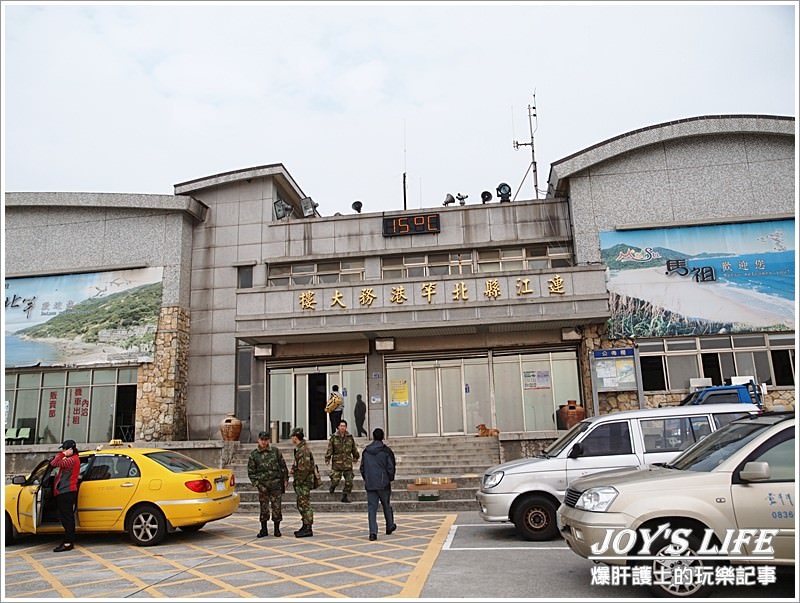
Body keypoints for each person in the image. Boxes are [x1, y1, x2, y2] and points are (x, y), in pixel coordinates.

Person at [247, 430, 289, 538]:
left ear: (269, 440)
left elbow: (283, 465)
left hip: (276, 484)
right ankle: (264, 529)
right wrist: (257, 484)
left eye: (266, 440)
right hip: (263, 485)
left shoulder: (275, 451)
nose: (264, 442)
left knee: (277, 507)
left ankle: (277, 529)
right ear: (258, 440)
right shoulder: (254, 455)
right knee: (264, 507)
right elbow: (251, 471)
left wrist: (285, 479)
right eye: (262, 440)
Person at [359, 428, 397, 542]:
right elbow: (391, 467)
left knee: (372, 508)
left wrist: (367, 479)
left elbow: (362, 468)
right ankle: (389, 525)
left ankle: (373, 532)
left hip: (370, 483)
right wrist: (390, 478)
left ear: (373, 437)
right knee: (386, 505)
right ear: (383, 437)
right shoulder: (386, 451)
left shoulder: (366, 451)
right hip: (383, 483)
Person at [50, 439, 80, 552]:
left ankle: (68, 542)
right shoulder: (72, 459)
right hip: (64, 491)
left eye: (64, 449)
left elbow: (54, 463)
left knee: (67, 518)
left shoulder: (72, 460)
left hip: (66, 491)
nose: (63, 451)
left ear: (71, 449)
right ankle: (68, 540)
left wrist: (63, 454)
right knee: (66, 517)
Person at [325, 419, 359, 503]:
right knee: (335, 481)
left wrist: (356, 457)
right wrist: (327, 458)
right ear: (338, 427)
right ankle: (332, 486)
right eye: (341, 426)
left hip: (347, 463)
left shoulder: (350, 437)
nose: (343, 428)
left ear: (346, 427)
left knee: (349, 482)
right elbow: (330, 449)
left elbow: (353, 448)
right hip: (337, 463)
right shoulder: (334, 437)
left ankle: (345, 496)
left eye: (344, 426)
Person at [289, 427, 315, 538]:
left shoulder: (303, 450)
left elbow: (304, 469)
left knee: (305, 505)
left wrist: (298, 481)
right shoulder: (300, 449)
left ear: (295, 437)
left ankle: (308, 527)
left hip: (303, 482)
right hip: (301, 481)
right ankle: (305, 525)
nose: (291, 438)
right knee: (301, 504)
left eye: (292, 436)